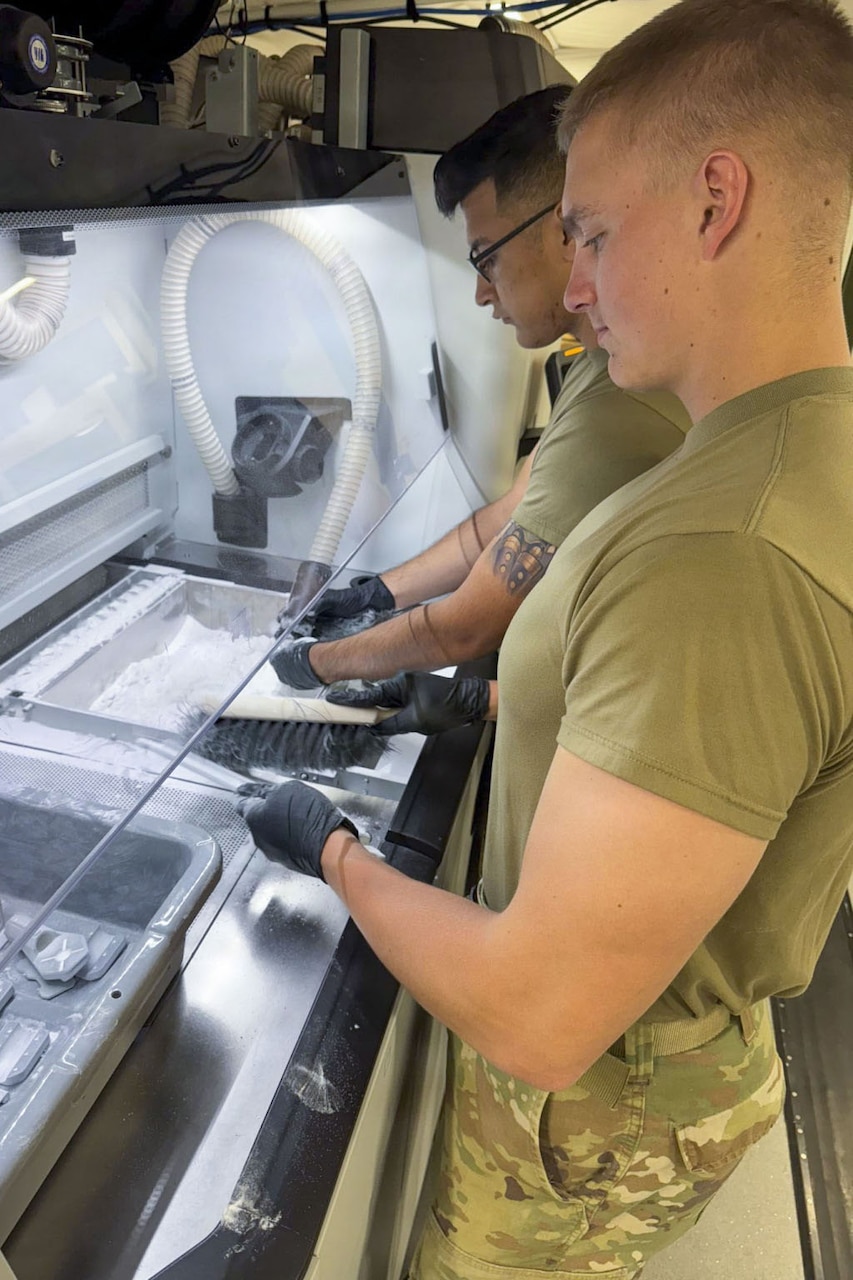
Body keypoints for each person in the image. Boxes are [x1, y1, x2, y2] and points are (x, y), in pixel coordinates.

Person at [239, 1, 853, 1276]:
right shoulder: (786, 443)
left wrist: (333, 849)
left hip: (605, 1110)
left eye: (589, 233)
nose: (570, 286)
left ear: (714, 202)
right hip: (672, 1036)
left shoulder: (719, 550)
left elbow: (535, 1013)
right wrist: (514, 702)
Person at [271, 86, 688, 725]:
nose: (480, 293)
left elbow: (462, 633)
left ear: (562, 226)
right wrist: (377, 593)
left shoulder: (621, 401)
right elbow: (508, 518)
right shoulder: (602, 359)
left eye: (487, 258)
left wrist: (319, 662)